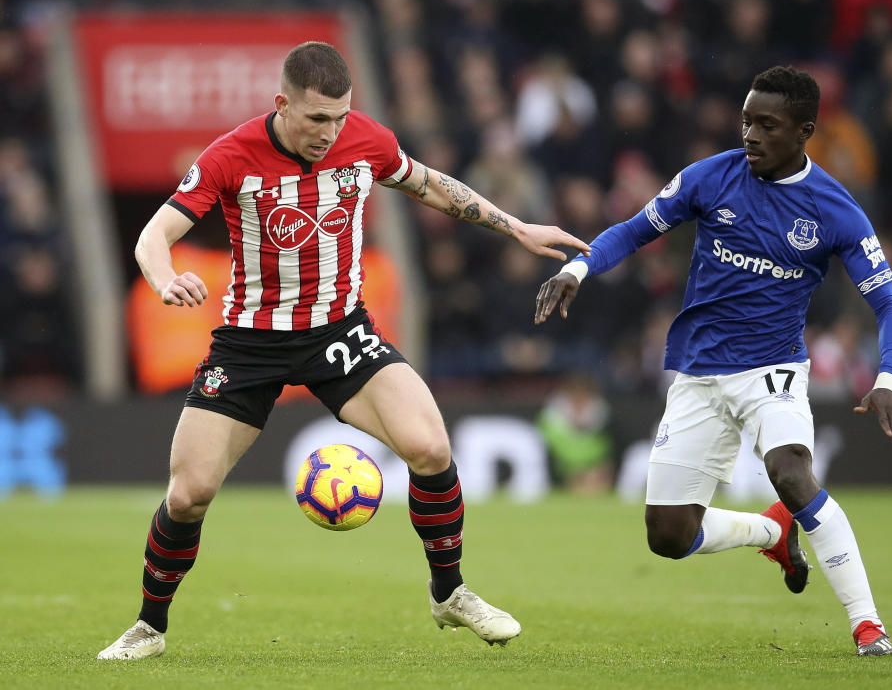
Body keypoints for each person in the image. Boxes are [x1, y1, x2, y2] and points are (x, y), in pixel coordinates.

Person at [97, 41, 590, 660]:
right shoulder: (231, 155)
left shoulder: (366, 139)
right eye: (316, 119)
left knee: (431, 447)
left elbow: (431, 186)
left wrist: (516, 226)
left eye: (340, 117)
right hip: (249, 345)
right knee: (189, 493)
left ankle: (450, 592)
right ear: (282, 104)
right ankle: (149, 626)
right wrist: (164, 279)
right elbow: (154, 235)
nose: (331, 133)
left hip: (339, 332)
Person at [535, 65, 892, 657]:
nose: (751, 135)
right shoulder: (710, 178)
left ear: (804, 131)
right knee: (668, 536)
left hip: (774, 371)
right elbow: (634, 231)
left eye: (768, 124)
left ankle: (868, 627)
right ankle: (770, 531)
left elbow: (887, 303)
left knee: (791, 473)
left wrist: (888, 378)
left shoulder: (837, 211)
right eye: (746, 120)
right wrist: (577, 267)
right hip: (699, 372)